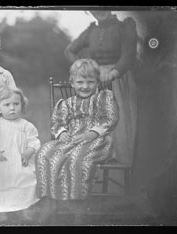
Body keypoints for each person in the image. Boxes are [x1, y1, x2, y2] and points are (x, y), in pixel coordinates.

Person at [35, 59, 119, 224]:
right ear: (72, 83)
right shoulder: (67, 103)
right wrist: (62, 133)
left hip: (97, 141)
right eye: (80, 82)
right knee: (44, 153)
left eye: (90, 82)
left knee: (77, 159)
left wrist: (92, 134)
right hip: (71, 141)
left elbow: (110, 119)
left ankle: (77, 206)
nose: (85, 86)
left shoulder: (104, 97)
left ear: (97, 82)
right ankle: (49, 202)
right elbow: (57, 122)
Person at [64, 10, 138, 166]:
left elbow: (129, 55)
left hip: (120, 78)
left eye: (102, 9)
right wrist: (85, 70)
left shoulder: (125, 26)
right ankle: (95, 162)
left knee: (119, 120)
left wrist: (113, 73)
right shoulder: (92, 30)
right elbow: (69, 50)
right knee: (96, 118)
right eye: (94, 10)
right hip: (96, 80)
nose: (98, 13)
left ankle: (123, 165)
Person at [0, 87, 40, 224]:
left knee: (26, 179)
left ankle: (24, 208)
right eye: (7, 105)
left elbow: (34, 141)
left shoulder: (26, 126)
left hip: (20, 162)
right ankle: (2, 212)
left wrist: (28, 152)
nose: (12, 108)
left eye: (16, 104)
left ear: (21, 106)